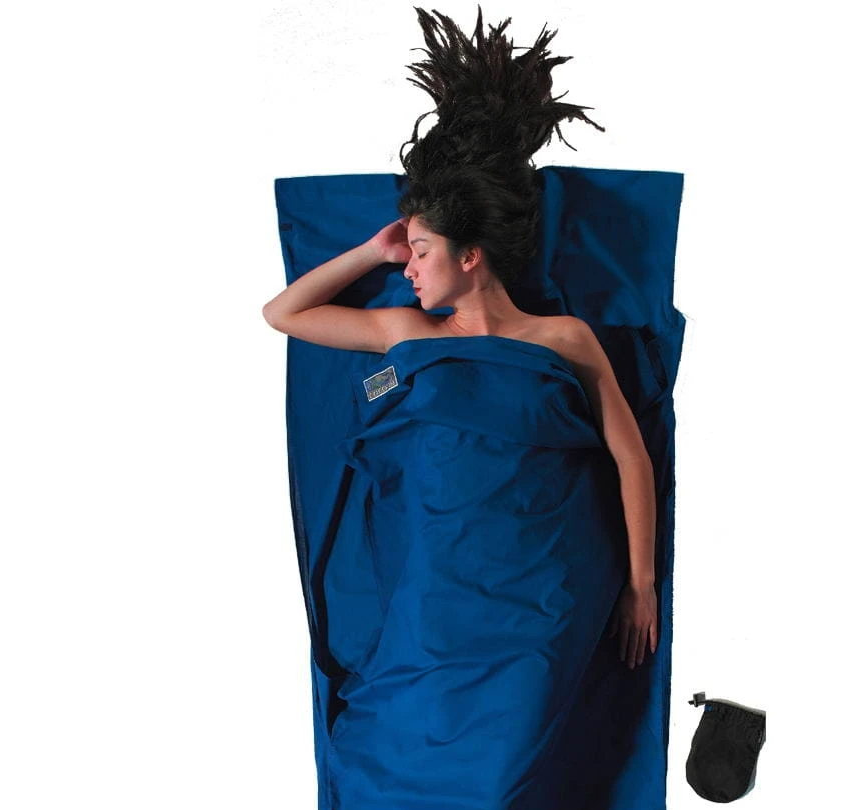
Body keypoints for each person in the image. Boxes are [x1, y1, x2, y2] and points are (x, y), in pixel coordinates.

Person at [263, 5, 659, 670]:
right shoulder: (406, 332)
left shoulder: (564, 338)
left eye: (421, 252)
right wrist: (375, 250)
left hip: (542, 592)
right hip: (433, 598)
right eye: (409, 254)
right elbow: (284, 313)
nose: (410, 269)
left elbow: (632, 458)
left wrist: (640, 586)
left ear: (471, 255)